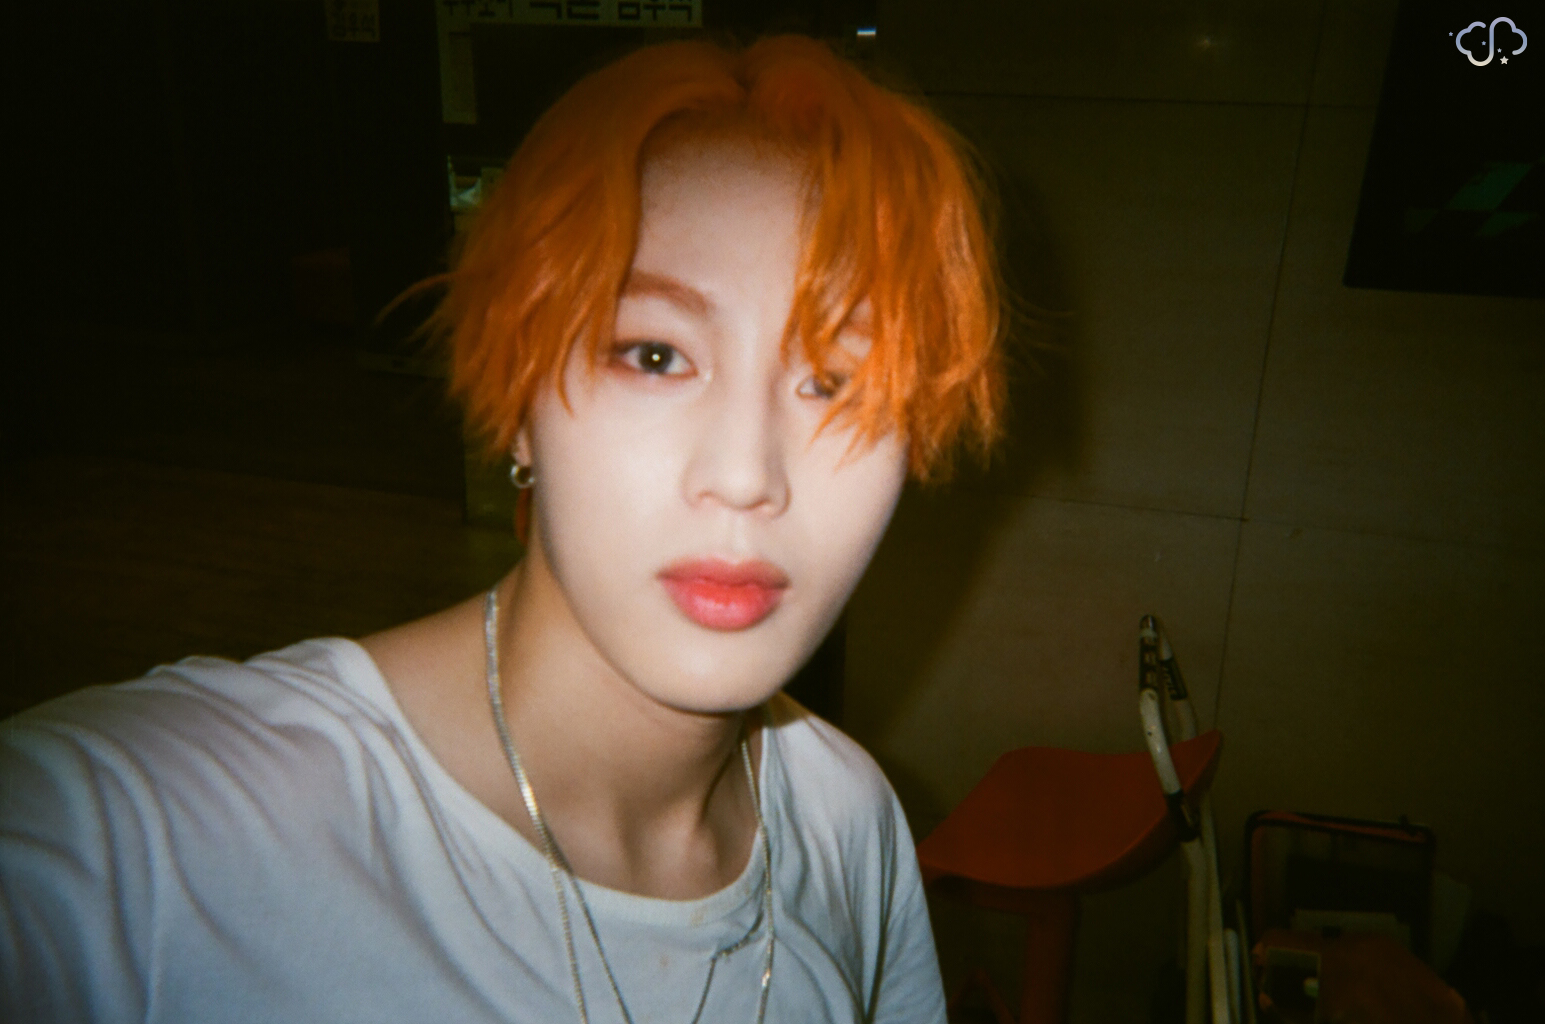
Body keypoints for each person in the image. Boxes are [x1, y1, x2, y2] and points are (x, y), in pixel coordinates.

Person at [0, 34, 1005, 1023]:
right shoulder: (155, 835)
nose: (746, 476)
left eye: (835, 383)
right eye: (654, 355)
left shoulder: (847, 822)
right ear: (522, 399)